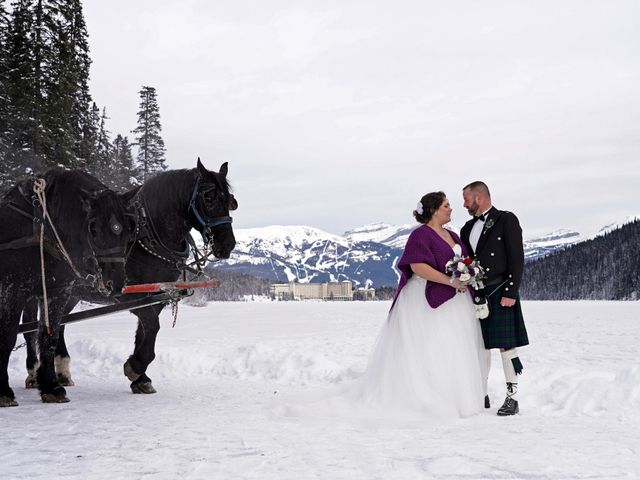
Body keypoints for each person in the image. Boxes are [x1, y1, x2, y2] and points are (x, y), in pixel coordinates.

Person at [350, 191, 486, 418]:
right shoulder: (420, 235)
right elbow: (417, 267)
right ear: (433, 210)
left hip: (456, 300)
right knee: (429, 346)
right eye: (446, 205)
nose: (451, 209)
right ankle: (423, 396)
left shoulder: (452, 234)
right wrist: (450, 281)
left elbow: (463, 261)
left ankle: (453, 395)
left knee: (453, 347)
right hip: (424, 298)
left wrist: (466, 276)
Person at [460, 181, 529, 416]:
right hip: (478, 292)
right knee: (480, 346)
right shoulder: (467, 228)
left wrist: (511, 292)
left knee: (506, 346)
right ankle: (481, 393)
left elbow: (517, 258)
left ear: (479, 198)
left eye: (466, 199)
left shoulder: (506, 220)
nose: (464, 204)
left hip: (501, 290)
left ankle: (512, 397)